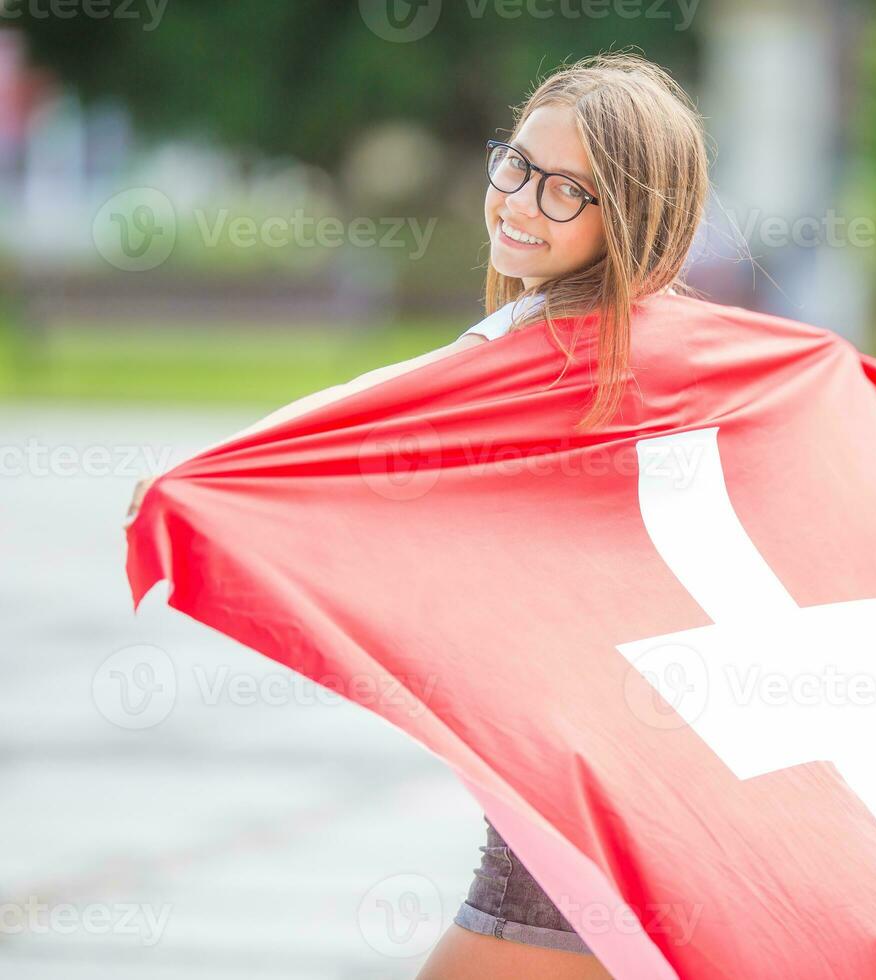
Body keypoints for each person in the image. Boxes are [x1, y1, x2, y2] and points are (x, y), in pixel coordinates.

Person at [126, 52, 710, 979]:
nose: (519, 202)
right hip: (664, 775)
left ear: (634, 212)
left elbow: (366, 415)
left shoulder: (532, 351)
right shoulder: (697, 346)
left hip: (586, 785)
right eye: (514, 165)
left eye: (566, 192)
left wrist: (201, 479)